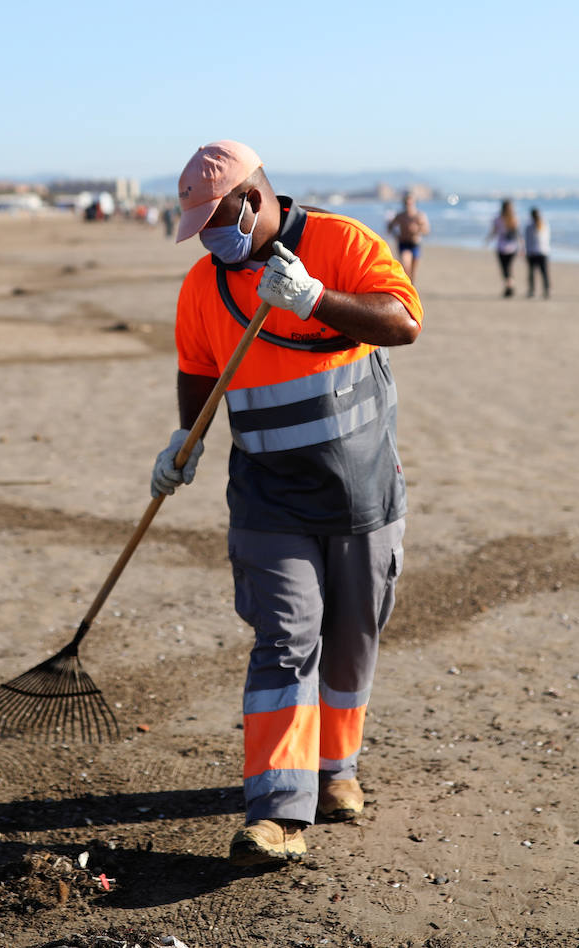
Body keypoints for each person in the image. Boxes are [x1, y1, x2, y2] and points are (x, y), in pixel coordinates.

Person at [151, 141, 423, 867]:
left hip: (364, 493)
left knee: (353, 638)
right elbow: (198, 369)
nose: (210, 236)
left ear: (255, 197)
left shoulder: (342, 242)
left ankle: (336, 771)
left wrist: (314, 299)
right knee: (285, 639)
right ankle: (276, 812)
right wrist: (186, 440)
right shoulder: (203, 288)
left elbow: (402, 323)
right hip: (270, 500)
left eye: (218, 218)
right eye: (199, 225)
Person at [385, 191, 431, 281]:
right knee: (406, 265)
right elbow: (390, 227)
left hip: (415, 244)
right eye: (406, 202)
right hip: (403, 243)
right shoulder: (400, 216)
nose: (408, 204)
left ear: (414, 203)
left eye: (410, 202)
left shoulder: (419, 216)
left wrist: (417, 229)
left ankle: (411, 287)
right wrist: (396, 235)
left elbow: (427, 231)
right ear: (404, 203)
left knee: (413, 272)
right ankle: (407, 285)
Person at [485, 199, 521, 297]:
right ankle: (510, 286)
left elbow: (494, 232)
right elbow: (518, 234)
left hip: (501, 247)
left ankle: (509, 287)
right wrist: (522, 246)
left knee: (505, 269)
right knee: (509, 268)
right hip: (512, 247)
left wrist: (488, 240)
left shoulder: (498, 219)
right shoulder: (514, 218)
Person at [524, 207, 550, 298]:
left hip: (533, 252)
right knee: (544, 273)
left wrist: (526, 251)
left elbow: (527, 240)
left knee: (532, 273)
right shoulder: (545, 224)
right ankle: (546, 290)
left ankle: (532, 291)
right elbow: (547, 239)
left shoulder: (529, 226)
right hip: (543, 251)